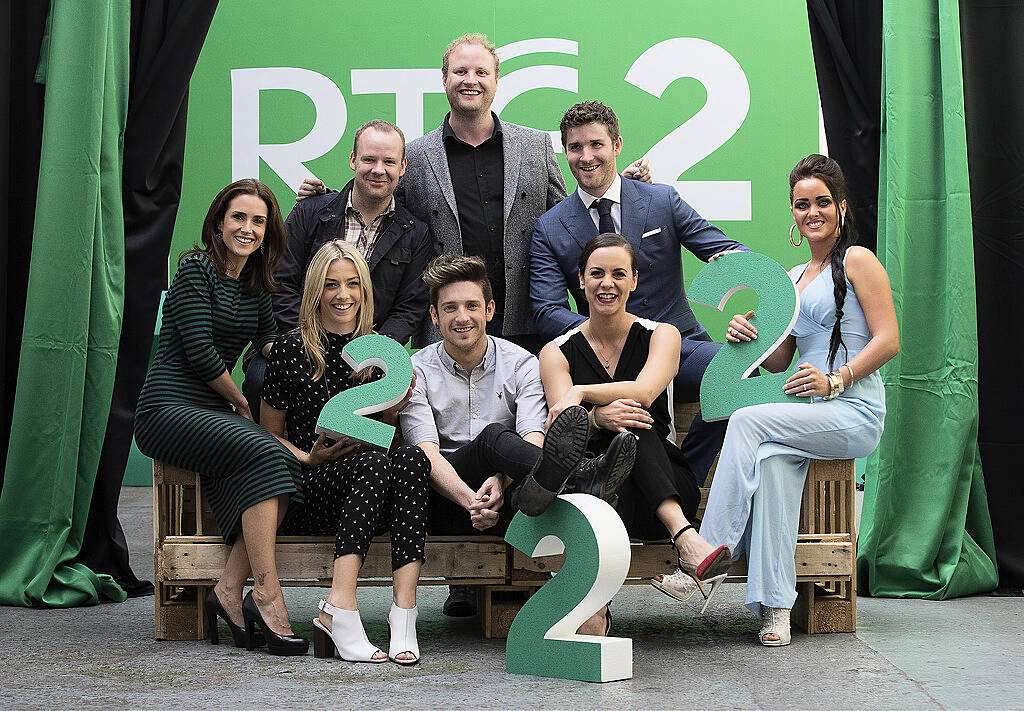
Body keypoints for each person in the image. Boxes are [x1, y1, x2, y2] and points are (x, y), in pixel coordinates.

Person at [298, 34, 649, 352]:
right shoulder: (417, 156)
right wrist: (326, 199)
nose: (470, 80)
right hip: (448, 324)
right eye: (460, 71)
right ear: (445, 79)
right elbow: (383, 208)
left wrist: (616, 188)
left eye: (481, 72)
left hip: (523, 321)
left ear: (496, 80)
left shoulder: (535, 146)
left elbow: (569, 223)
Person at [699, 154, 898, 646]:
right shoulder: (792, 277)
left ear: (842, 208)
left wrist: (837, 379)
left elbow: (890, 338)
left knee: (746, 420)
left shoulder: (858, 260)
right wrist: (745, 335)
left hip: (855, 410)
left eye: (822, 202)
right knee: (767, 465)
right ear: (792, 212)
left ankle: (705, 555)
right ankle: (776, 608)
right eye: (802, 204)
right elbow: (778, 359)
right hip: (810, 414)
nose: (812, 212)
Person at [400, 253, 635, 616]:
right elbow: (427, 454)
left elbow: (532, 438)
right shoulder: (416, 370)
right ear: (434, 316)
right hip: (445, 499)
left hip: (509, 496)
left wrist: (501, 480)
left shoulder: (522, 363)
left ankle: (585, 605)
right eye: (450, 308)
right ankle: (583, 476)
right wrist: (470, 501)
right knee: (495, 438)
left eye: (471, 306)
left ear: (489, 310)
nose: (461, 317)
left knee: (530, 487)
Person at [530, 101, 750, 486]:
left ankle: (685, 477)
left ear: (617, 146)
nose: (586, 157)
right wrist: (608, 331)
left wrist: (787, 285)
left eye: (596, 145)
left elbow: (729, 255)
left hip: (680, 346)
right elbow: (546, 311)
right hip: (604, 357)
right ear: (564, 153)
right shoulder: (549, 227)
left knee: (741, 373)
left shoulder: (661, 200)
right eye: (575, 147)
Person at [134, 179, 308, 656]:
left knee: (287, 463)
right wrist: (242, 403)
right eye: (239, 217)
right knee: (267, 448)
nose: (247, 229)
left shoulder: (257, 285)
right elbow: (200, 352)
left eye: (258, 221)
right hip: (167, 408)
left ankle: (230, 590)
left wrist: (321, 364)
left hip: (211, 413)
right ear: (218, 221)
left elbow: (273, 347)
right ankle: (268, 595)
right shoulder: (196, 270)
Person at [539, 234, 732, 636]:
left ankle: (675, 543)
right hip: (594, 487)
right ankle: (683, 546)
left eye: (618, 274)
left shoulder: (664, 335)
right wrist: (597, 419)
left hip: (662, 489)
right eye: (597, 274)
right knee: (611, 464)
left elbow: (644, 392)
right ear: (581, 281)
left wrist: (583, 394)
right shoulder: (556, 352)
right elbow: (564, 425)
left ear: (634, 281)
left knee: (634, 428)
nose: (606, 283)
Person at [261, 240, 431, 664]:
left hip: (366, 487)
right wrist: (306, 457)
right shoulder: (289, 350)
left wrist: (392, 409)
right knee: (374, 464)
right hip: (312, 487)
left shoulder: (378, 355)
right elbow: (268, 434)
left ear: (365, 290)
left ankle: (404, 612)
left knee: (412, 459)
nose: (343, 295)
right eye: (331, 284)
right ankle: (341, 607)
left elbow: (383, 435)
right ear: (315, 291)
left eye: (353, 284)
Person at [244, 120, 434, 420]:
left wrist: (373, 349)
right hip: (303, 344)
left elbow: (410, 309)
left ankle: (358, 462)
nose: (378, 169)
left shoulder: (416, 233)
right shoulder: (311, 212)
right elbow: (279, 282)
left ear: (403, 166)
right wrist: (314, 340)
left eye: (389, 161)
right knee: (259, 377)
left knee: (401, 393)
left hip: (367, 354)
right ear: (352, 160)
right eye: (369, 159)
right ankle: (274, 461)